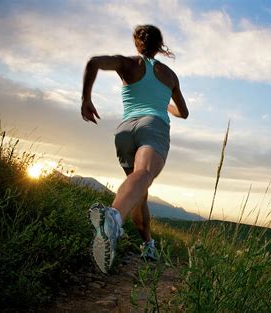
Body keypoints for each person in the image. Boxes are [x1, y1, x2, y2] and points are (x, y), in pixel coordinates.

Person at [81, 24, 189, 274]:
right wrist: (165, 106)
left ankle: (148, 244)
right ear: (160, 45)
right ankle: (113, 220)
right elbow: (184, 112)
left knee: (139, 189)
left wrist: (86, 98)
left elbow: (93, 62)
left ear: (137, 43)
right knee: (144, 174)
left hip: (125, 132)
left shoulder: (126, 63)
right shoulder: (170, 75)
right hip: (153, 126)